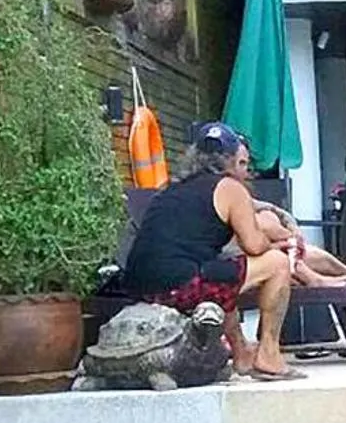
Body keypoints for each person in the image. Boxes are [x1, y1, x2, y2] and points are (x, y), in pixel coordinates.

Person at [124, 122, 299, 380]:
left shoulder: (172, 190)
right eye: (242, 163)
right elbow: (253, 244)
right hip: (180, 285)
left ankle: (240, 354)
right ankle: (269, 355)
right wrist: (273, 246)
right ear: (230, 160)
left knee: (222, 275)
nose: (245, 170)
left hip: (139, 285)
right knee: (277, 263)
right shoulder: (229, 187)